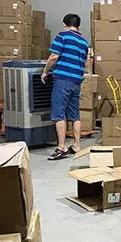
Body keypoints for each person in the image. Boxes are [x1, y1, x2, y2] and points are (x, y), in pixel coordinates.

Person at [41, 14, 89, 160]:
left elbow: (54, 56)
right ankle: (76, 145)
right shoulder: (84, 42)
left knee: (58, 113)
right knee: (75, 115)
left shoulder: (62, 36)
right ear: (79, 26)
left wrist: (45, 71)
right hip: (76, 81)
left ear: (64, 24)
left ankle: (61, 147)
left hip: (63, 80)